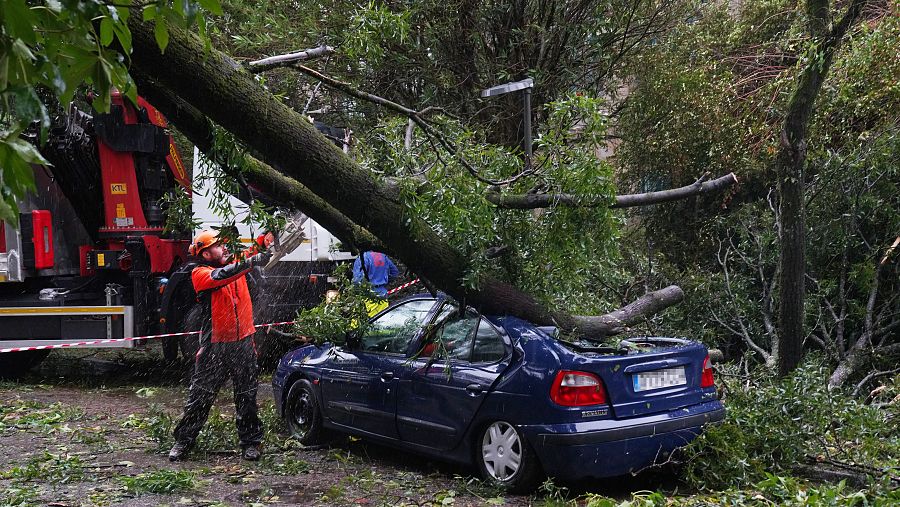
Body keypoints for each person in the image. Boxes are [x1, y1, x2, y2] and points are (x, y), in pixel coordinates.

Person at [168, 229, 274, 462]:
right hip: (214, 346)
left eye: (226, 244)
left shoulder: (235, 260)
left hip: (243, 342)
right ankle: (183, 441)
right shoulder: (200, 274)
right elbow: (226, 274)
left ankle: (251, 442)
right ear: (206, 254)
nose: (225, 248)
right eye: (219, 245)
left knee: (247, 396)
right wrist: (250, 262)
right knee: (201, 397)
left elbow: (252, 252)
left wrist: (265, 239)